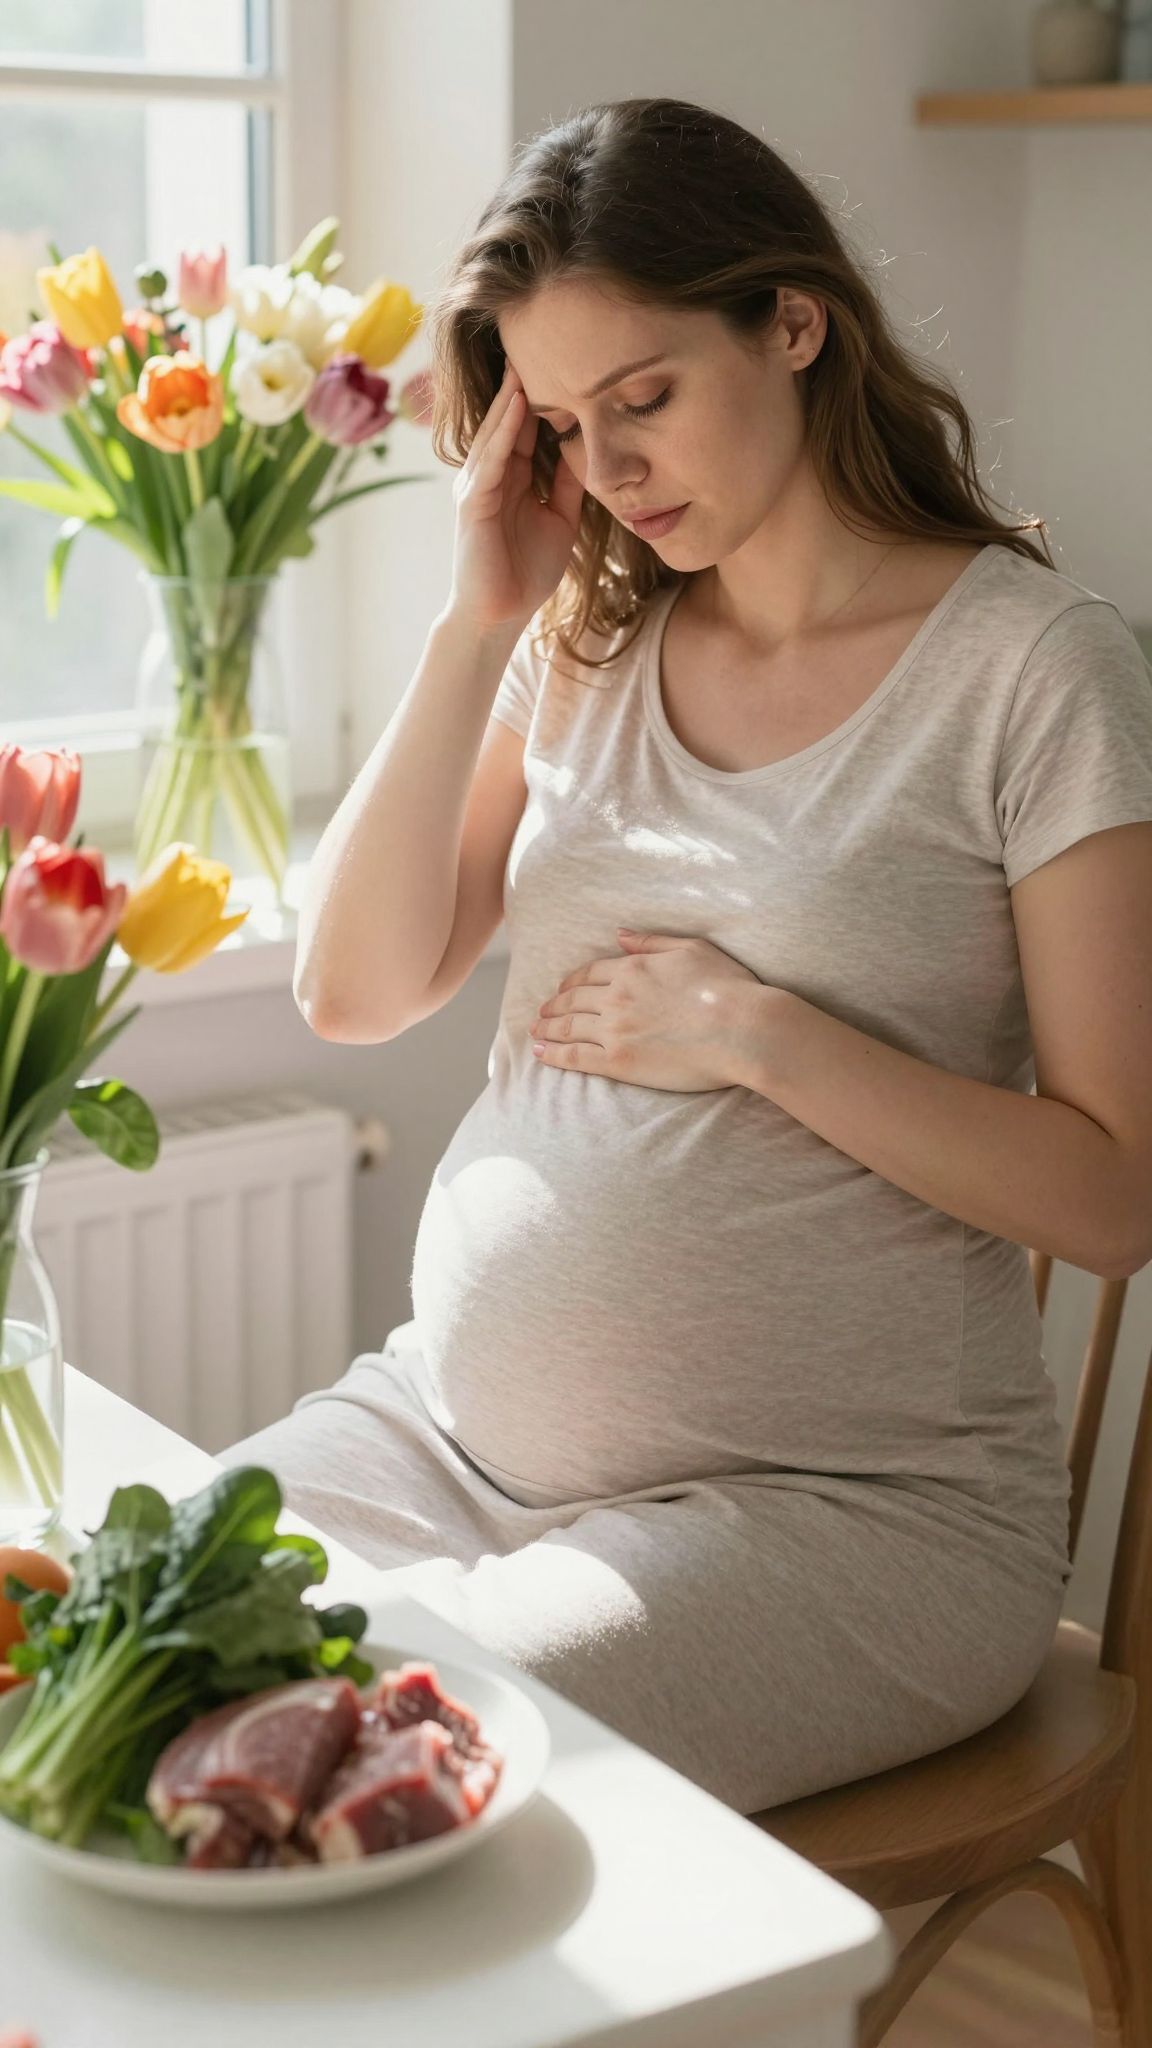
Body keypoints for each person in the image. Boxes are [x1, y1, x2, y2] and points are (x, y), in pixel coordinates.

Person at [218, 96, 1152, 1817]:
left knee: (397, 1770)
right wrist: (470, 621)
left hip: (854, 1517)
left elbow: (1115, 1198)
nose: (613, 470)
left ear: (793, 322)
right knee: (138, 1665)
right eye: (565, 424)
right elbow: (352, 991)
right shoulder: (580, 639)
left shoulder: (1035, 671)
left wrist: (758, 1033)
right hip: (450, 1441)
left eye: (642, 398)